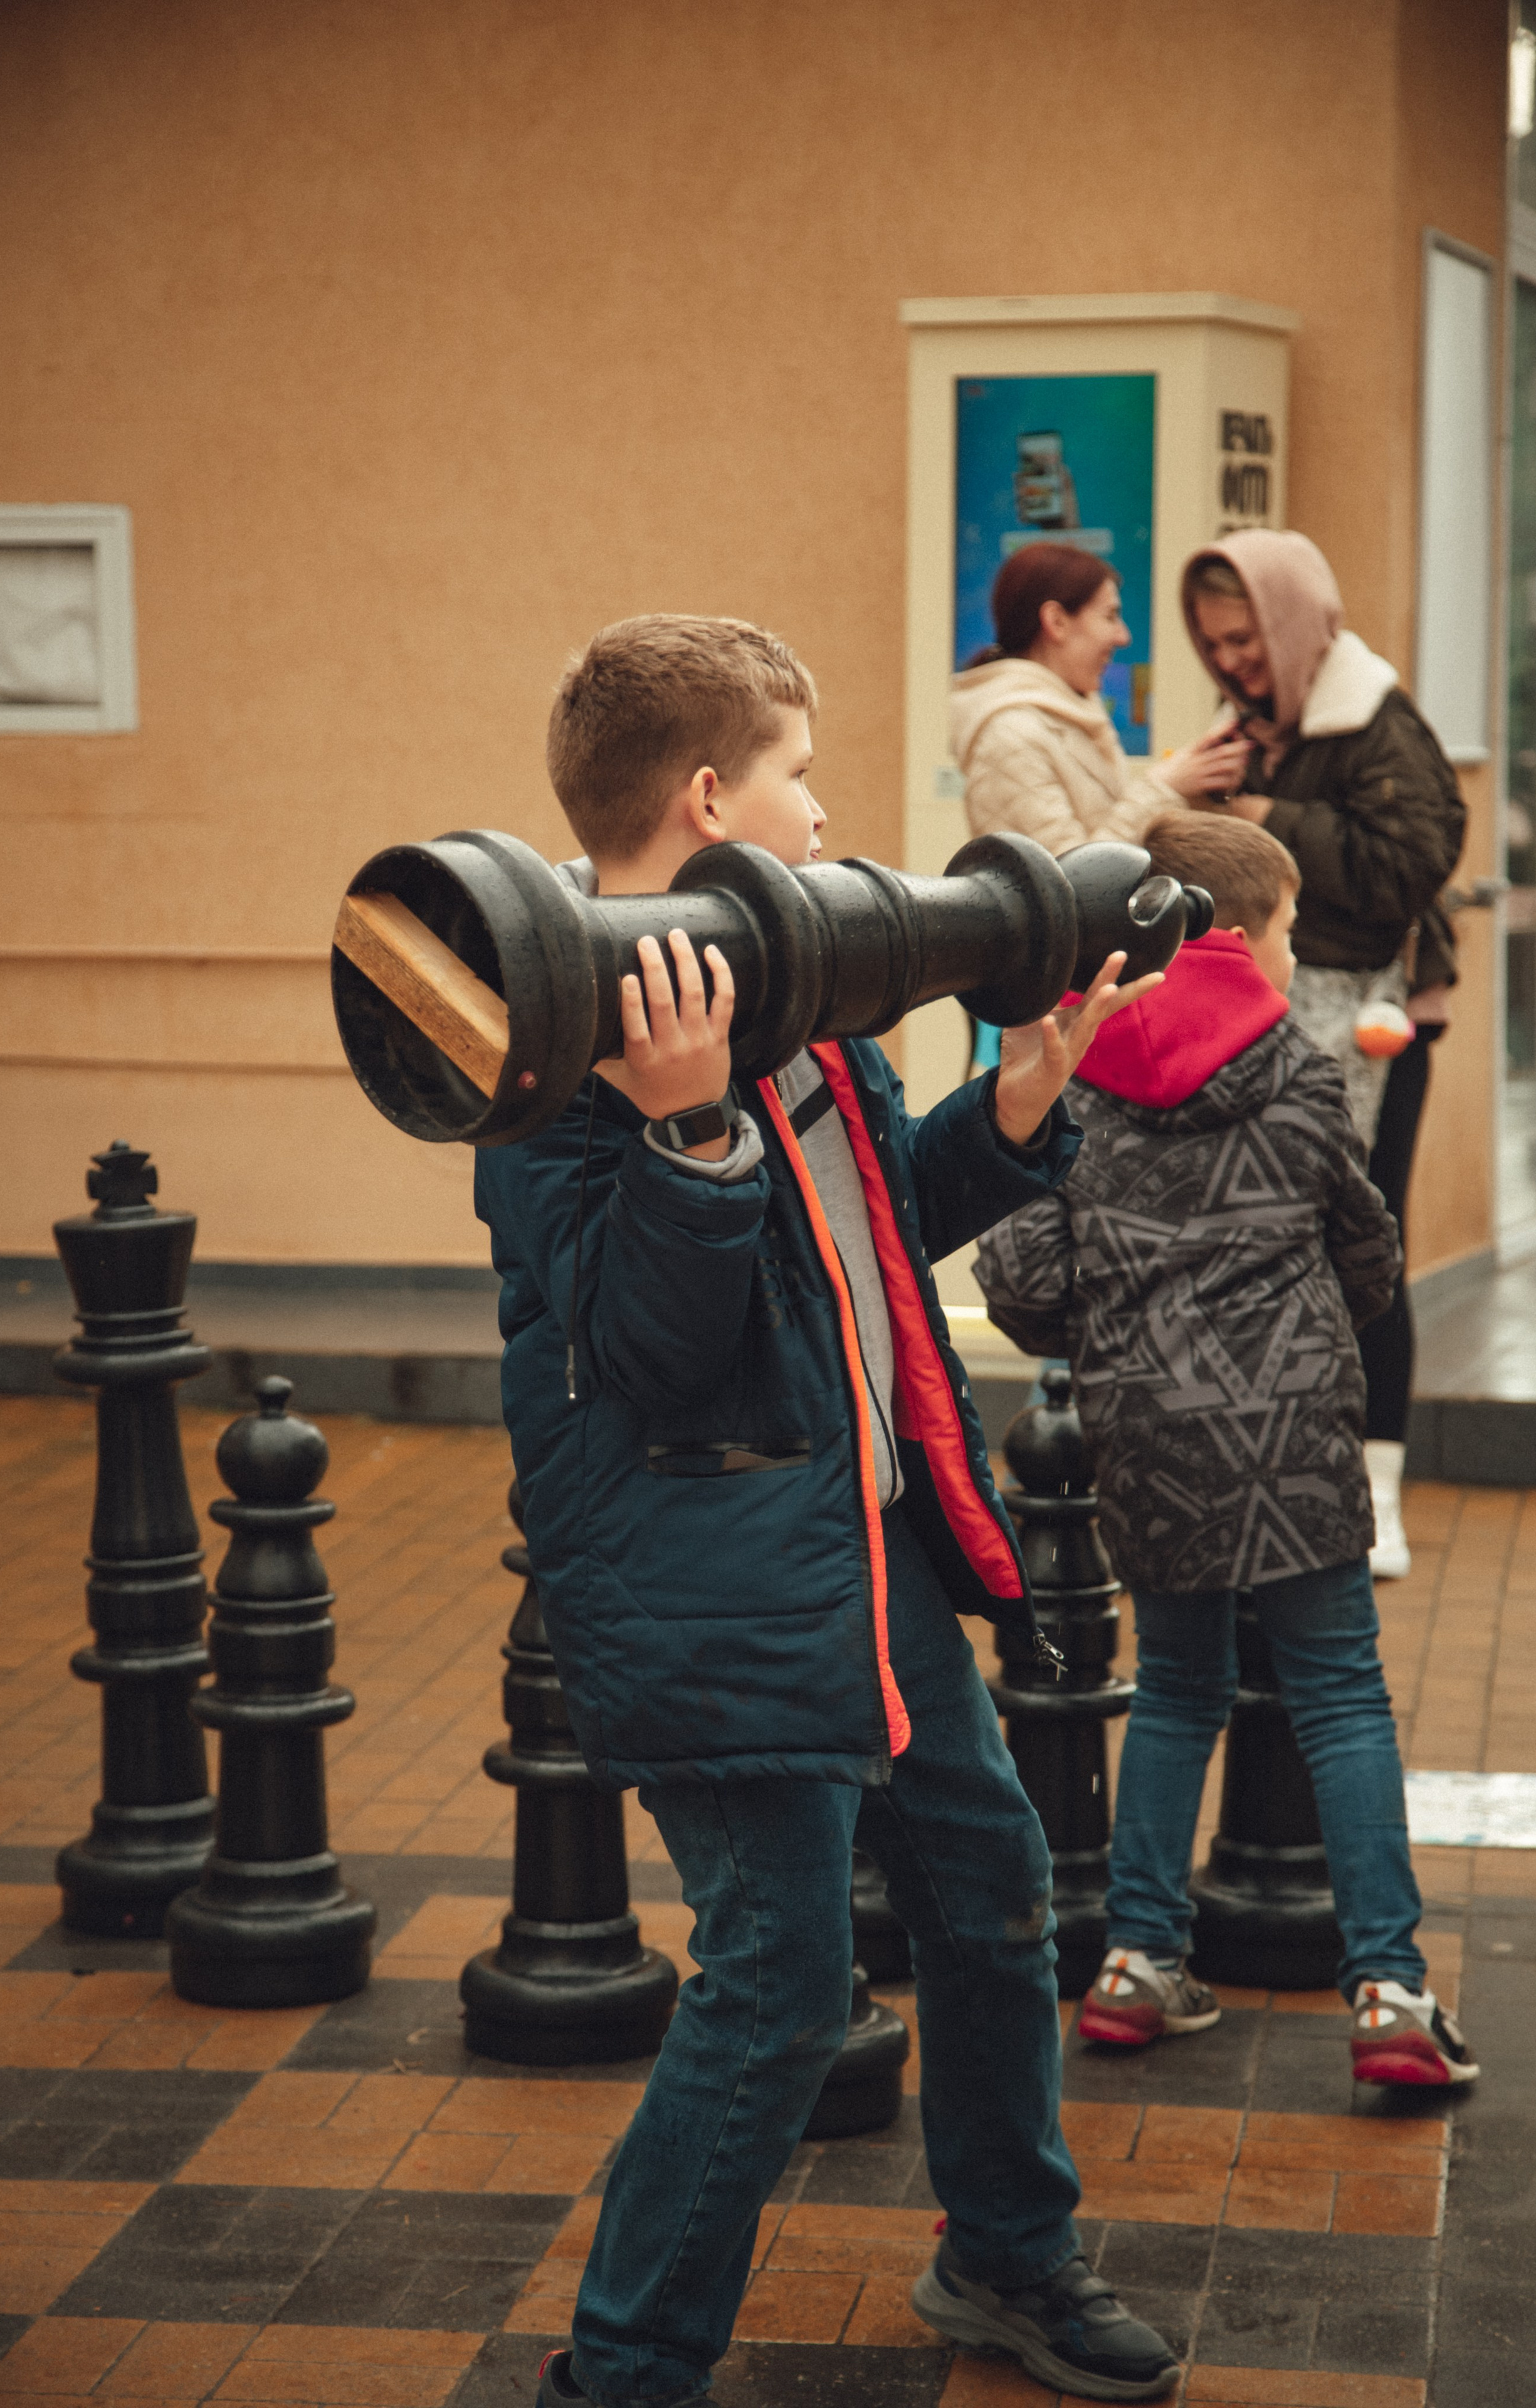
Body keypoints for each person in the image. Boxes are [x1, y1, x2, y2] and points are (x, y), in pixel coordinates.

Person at [475, 613, 1182, 2408]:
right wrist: (689, 1137)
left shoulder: (800, 979)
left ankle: (1006, 2260)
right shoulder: (548, 1039)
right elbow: (652, 1352)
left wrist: (1017, 1101)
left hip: (862, 1559)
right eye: (800, 772)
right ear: (711, 795)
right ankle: (622, 2374)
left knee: (994, 1884)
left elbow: (868, 1243)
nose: (825, 809)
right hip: (712, 1582)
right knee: (781, 1984)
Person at [973, 811, 1478, 2091]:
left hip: (1145, 1431)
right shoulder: (1302, 1072)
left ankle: (1138, 1960)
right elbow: (1364, 1250)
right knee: (1340, 1695)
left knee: (1179, 1688)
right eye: (1287, 929)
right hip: (1296, 1426)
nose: (1291, 950)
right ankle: (1386, 1992)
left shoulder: (1082, 1082)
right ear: (1241, 934)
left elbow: (1025, 1280)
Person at [1179, 532, 1466, 1578]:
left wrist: (1262, 815)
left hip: (1373, 1025)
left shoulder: (1375, 718)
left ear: (1294, 624)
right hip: (1269, 1021)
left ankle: (1379, 1495)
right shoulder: (1254, 724)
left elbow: (1411, 865)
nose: (1233, 663)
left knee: (1364, 1249)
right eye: (1215, 645)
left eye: (1248, 639)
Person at [950, 541, 1252, 861]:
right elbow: (1069, 886)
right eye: (1110, 616)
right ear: (1056, 622)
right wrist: (1163, 788)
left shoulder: (1067, 715)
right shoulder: (1011, 736)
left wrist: (1194, 781)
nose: (1123, 637)